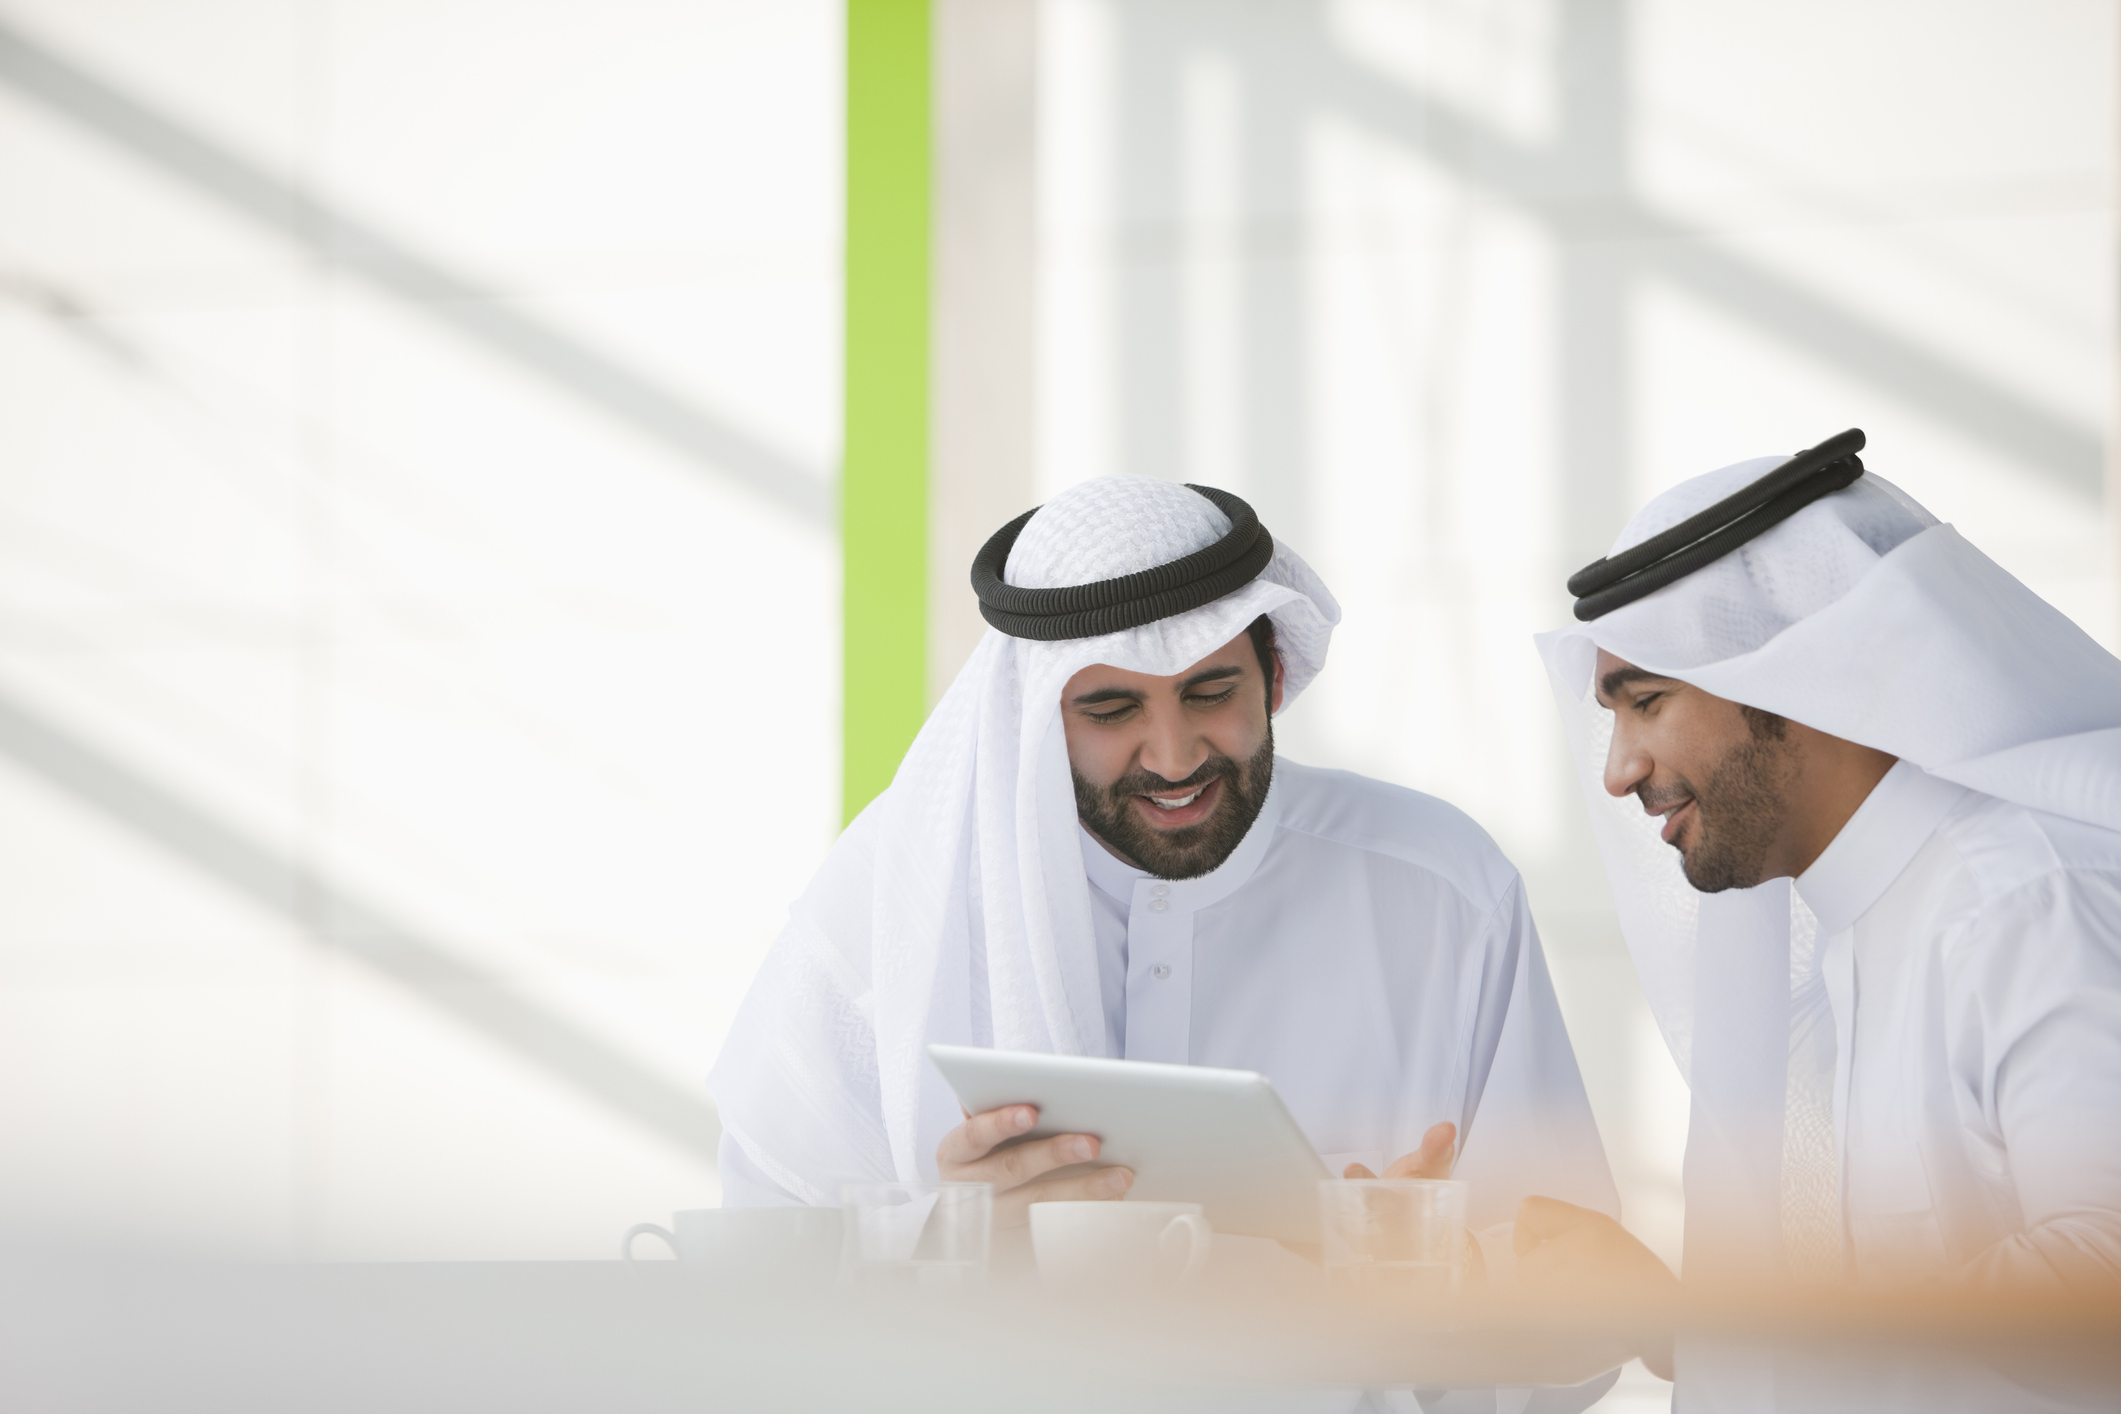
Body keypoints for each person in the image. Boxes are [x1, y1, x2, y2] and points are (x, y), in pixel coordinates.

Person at [712, 476, 1617, 1249]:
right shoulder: (900, 891)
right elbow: (764, 1252)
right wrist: (950, 1243)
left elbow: (1570, 1317)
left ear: (1271, 670)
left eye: (1210, 692)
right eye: (1109, 710)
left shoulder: (1440, 889)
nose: (1175, 755)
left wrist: (1432, 1275)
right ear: (1034, 721)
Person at [1518, 431, 2121, 1396]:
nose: (1618, 771)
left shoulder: (2024, 902)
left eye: (1648, 702)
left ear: (1796, 679)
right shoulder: (1849, 937)